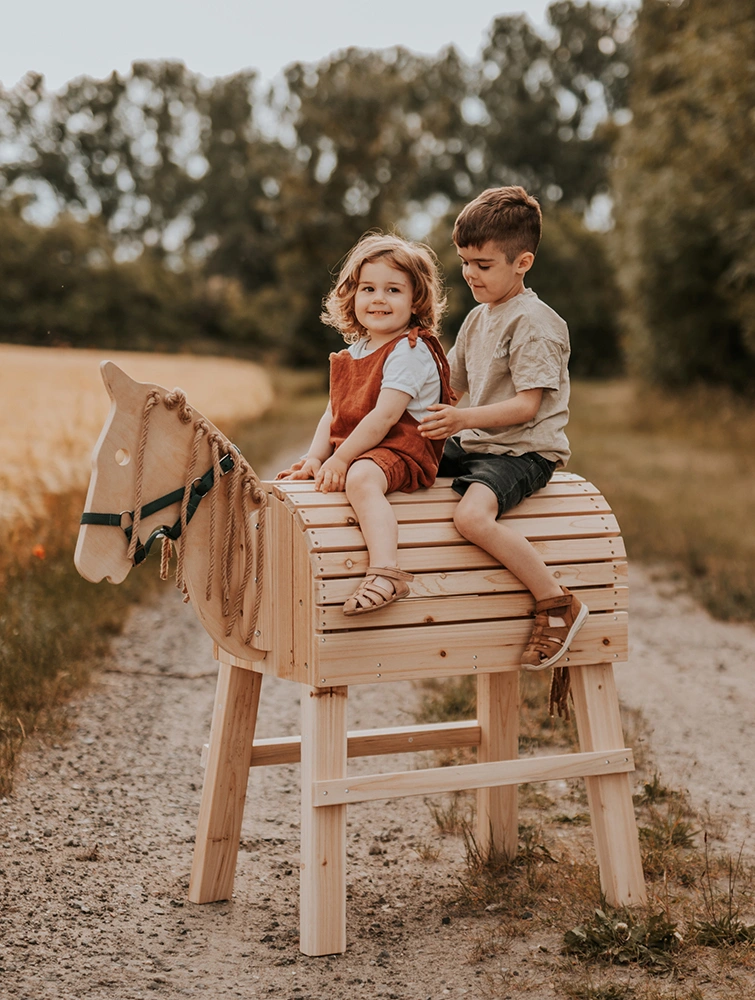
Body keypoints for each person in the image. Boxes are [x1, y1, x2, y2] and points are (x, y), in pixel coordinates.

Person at [419, 186, 588, 705]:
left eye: (483, 264)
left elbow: (526, 407)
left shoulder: (534, 324)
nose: (470, 273)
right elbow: (450, 388)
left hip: (523, 451)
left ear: (523, 263)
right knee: (402, 463)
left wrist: (461, 419)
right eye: (465, 261)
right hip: (477, 440)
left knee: (471, 518)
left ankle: (556, 602)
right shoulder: (478, 317)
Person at [278, 232, 454, 616]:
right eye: (368, 288)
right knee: (305, 476)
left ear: (415, 300)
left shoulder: (410, 350)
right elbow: (333, 413)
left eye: (393, 290)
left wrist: (340, 461)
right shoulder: (353, 352)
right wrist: (315, 458)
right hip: (367, 448)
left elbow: (385, 417)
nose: (378, 298)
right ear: (351, 296)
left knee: (359, 478)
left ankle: (387, 572)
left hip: (403, 450)